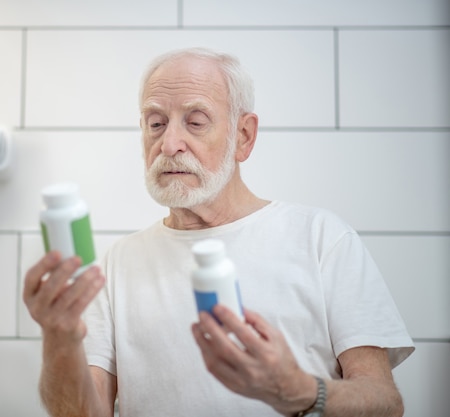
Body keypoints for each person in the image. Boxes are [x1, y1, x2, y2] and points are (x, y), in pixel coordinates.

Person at [23, 47, 414, 417]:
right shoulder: (116, 265)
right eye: (156, 124)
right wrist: (60, 338)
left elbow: (384, 401)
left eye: (195, 122)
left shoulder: (321, 238)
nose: (170, 144)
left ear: (243, 137)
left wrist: (298, 389)